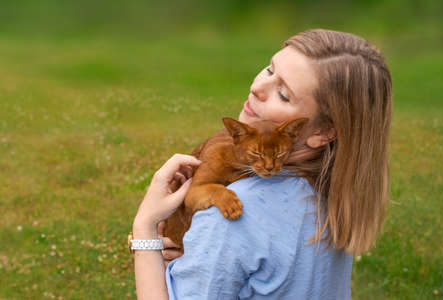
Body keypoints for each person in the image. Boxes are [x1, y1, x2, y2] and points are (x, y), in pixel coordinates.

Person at [132, 29, 392, 299]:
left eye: (283, 94)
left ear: (324, 133)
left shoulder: (232, 215)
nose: (256, 88)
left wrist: (145, 229)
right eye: (270, 70)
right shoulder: (333, 199)